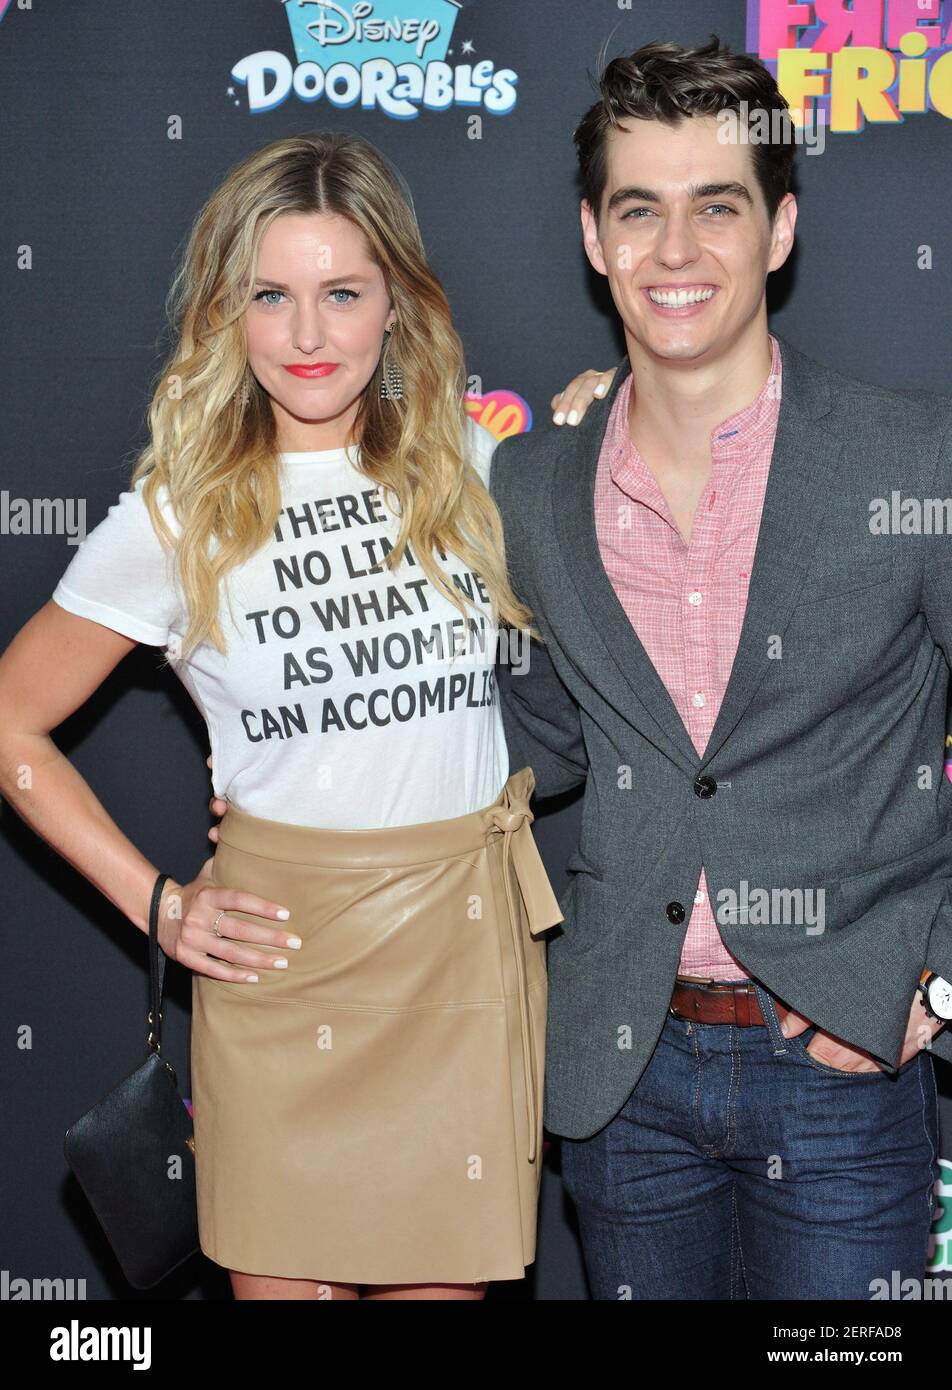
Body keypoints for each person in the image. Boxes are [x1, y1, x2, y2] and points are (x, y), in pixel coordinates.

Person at [0, 131, 606, 1301]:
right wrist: (161, 908)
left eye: (343, 293)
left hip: (458, 955)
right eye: (272, 297)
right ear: (229, 312)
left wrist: (595, 426)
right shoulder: (175, 517)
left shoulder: (479, 469)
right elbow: (13, 725)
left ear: (398, 306)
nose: (311, 335)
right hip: (282, 964)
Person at [487, 37, 952, 1299]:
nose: (676, 252)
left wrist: (938, 976)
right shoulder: (532, 487)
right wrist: (317, 783)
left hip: (846, 1070)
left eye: (717, 208)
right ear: (594, 237)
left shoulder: (911, 460)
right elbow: (533, 739)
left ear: (780, 228)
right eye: (640, 211)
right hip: (621, 1082)